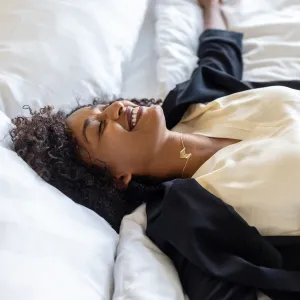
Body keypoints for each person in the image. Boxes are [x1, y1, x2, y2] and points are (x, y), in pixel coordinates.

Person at [10, 0, 300, 298]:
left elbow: (218, 56)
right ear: (118, 177)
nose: (115, 109)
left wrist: (210, 7)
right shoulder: (184, 214)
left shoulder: (192, 104)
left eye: (101, 106)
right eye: (98, 127)